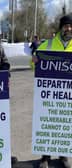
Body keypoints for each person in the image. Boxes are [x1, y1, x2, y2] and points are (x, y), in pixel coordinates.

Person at [32, 13, 72, 168]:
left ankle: (63, 156)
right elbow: (33, 64)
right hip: (48, 92)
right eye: (65, 26)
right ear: (61, 28)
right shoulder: (47, 45)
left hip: (67, 93)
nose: (68, 28)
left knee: (64, 124)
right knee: (46, 123)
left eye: (70, 26)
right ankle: (45, 157)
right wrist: (33, 61)